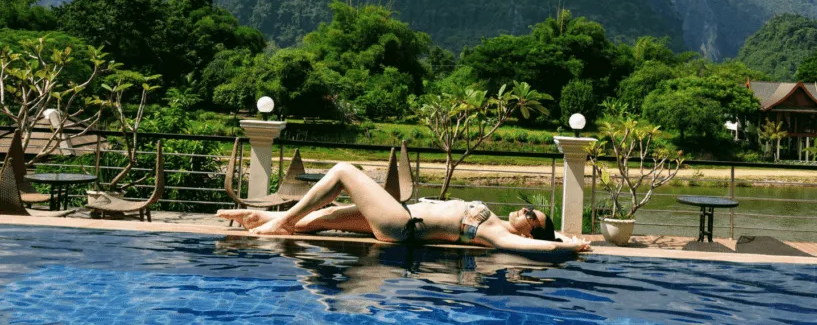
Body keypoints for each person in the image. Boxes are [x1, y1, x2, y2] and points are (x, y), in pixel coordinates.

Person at [217, 161, 590, 254]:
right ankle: (263, 218)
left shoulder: (497, 231)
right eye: (529, 210)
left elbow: (522, 248)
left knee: (345, 171)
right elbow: (542, 238)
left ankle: (277, 221)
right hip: (401, 219)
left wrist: (565, 247)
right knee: (324, 218)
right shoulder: (496, 222)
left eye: (530, 217)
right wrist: (563, 237)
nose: (524, 213)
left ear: (529, 230)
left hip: (402, 224)